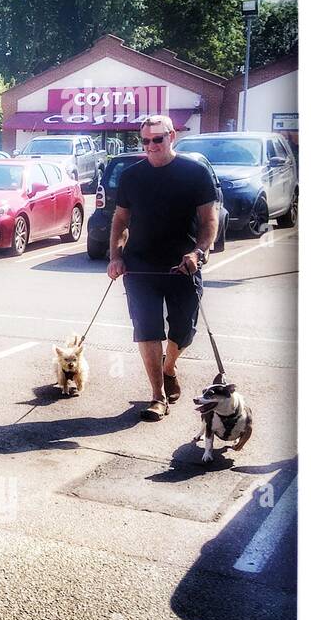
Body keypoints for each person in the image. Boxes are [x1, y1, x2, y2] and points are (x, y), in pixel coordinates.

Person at [107, 115, 218, 421]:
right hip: (140, 266)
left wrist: (199, 251)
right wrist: (116, 255)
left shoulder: (194, 172)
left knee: (184, 329)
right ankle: (157, 396)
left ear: (172, 136)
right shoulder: (131, 176)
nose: (151, 146)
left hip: (183, 265)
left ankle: (169, 367)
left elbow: (210, 219)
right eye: (145, 140)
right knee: (147, 329)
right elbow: (120, 219)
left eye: (158, 139)